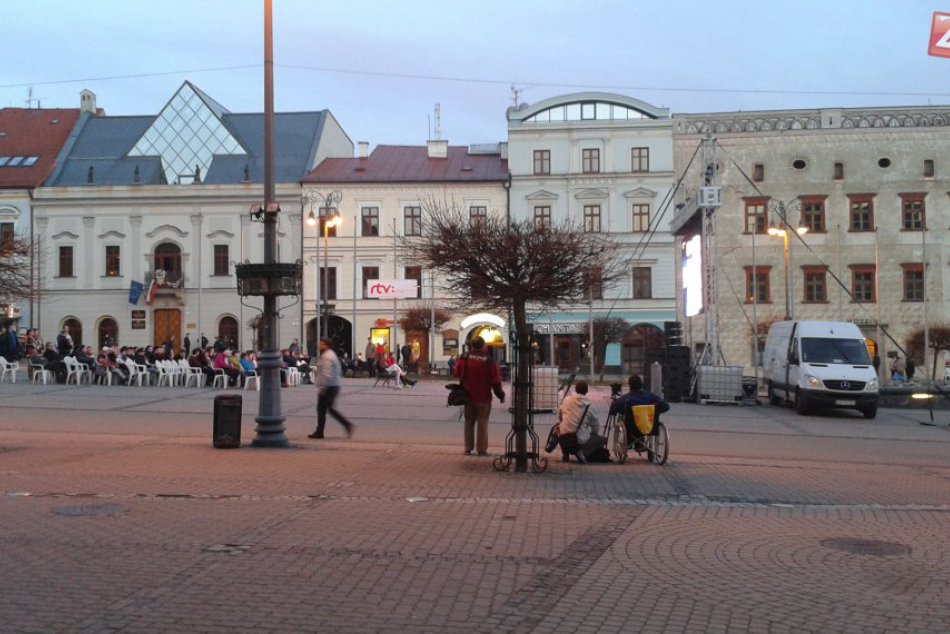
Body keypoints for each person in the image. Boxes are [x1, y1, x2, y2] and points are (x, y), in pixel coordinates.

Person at [454, 336, 505, 456]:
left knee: (469, 421)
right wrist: (500, 395)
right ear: (483, 346)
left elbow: (456, 372)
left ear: (471, 345)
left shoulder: (464, 357)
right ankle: (481, 449)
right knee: (483, 422)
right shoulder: (488, 360)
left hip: (467, 395)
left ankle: (468, 448)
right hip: (483, 396)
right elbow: (495, 380)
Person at [308, 338, 355, 439]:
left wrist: (323, 387)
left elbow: (326, 372)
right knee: (326, 409)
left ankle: (346, 425)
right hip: (332, 385)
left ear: (326, 345)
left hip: (329, 386)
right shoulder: (329, 354)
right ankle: (320, 431)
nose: (318, 345)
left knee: (323, 409)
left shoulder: (327, 356)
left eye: (321, 343)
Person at [609, 374, 669, 449]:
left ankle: (630, 442)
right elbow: (666, 406)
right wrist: (655, 411)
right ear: (641, 385)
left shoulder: (625, 399)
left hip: (631, 427)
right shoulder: (650, 396)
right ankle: (640, 443)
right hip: (650, 426)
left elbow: (616, 408)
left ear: (630, 386)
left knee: (625, 420)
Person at [556, 380, 606, 464]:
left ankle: (566, 453)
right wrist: (593, 434)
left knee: (562, 429)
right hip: (579, 439)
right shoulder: (590, 406)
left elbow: (559, 416)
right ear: (586, 391)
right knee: (603, 440)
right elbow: (595, 427)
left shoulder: (566, 400)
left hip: (563, 437)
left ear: (575, 390)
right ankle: (582, 452)